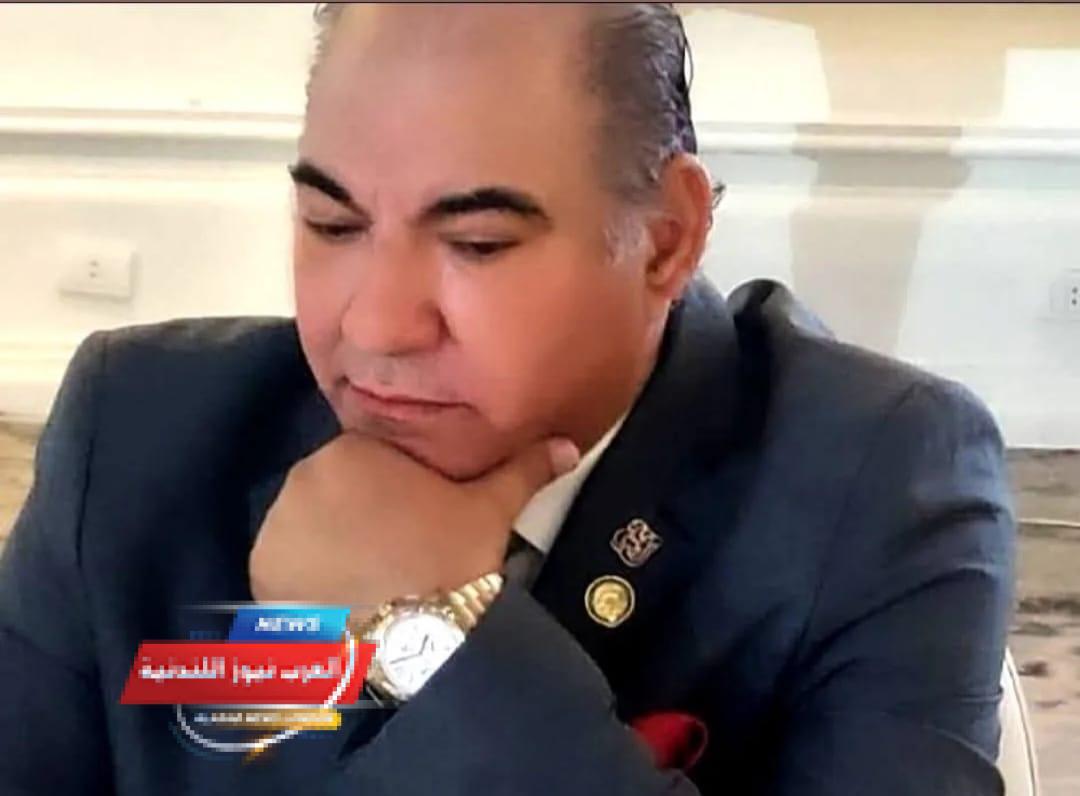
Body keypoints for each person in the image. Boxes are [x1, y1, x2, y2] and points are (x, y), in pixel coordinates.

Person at [0, 4, 1014, 794]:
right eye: (332, 223)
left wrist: (431, 637)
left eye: (476, 242)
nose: (378, 326)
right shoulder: (135, 432)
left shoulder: (881, 483)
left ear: (665, 239)